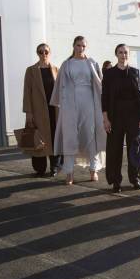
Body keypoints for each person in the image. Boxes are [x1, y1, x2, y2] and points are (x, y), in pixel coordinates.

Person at [51, 36, 106, 185]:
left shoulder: (92, 63)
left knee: (90, 134)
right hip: (70, 104)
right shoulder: (66, 64)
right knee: (70, 137)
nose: (81, 48)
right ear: (73, 46)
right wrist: (59, 103)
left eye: (83, 46)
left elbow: (101, 85)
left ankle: (93, 170)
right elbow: (59, 85)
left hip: (89, 103)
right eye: (78, 45)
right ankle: (69, 173)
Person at [102, 44, 140, 192]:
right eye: (121, 52)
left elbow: (139, 96)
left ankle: (134, 178)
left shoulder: (135, 72)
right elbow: (104, 97)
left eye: (126, 53)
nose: (123, 55)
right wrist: (105, 118)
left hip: (133, 116)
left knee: (134, 149)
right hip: (115, 116)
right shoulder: (109, 74)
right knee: (114, 149)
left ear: (129, 54)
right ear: (116, 54)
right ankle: (116, 181)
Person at [22, 43, 63, 177]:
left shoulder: (56, 69)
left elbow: (62, 91)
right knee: (38, 138)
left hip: (55, 110)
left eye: (46, 51)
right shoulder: (31, 70)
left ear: (49, 53)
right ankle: (40, 168)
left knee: (55, 137)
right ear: (37, 53)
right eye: (40, 52)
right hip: (38, 111)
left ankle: (55, 167)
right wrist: (28, 112)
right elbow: (27, 92)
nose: (43, 54)